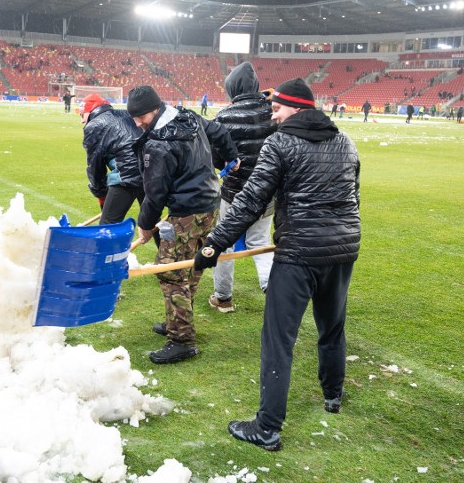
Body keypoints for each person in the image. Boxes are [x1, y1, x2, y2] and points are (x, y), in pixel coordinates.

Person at [195, 78, 360, 452]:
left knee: (278, 341)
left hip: (299, 254)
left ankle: (267, 427)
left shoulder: (281, 142)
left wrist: (212, 246)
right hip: (342, 250)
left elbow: (252, 200)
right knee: (332, 328)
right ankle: (332, 395)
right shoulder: (345, 140)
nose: (272, 114)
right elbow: (354, 196)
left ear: (297, 108)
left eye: (277, 108)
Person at [128, 85, 238, 364]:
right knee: (192, 266)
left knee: (169, 272)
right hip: (210, 203)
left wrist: (146, 224)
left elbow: (155, 193)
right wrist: (231, 157)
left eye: (143, 116)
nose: (139, 123)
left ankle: (182, 340)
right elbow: (220, 132)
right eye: (135, 118)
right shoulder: (187, 116)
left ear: (156, 108)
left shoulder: (158, 144)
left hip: (187, 211)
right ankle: (177, 321)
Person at [209, 62, 276, 313]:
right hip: (267, 191)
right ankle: (272, 288)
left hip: (234, 192)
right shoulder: (274, 111)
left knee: (224, 242)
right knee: (260, 241)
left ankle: (223, 297)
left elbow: (216, 159)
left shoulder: (224, 116)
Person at [81, 93, 144, 224]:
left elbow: (95, 166)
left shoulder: (93, 126)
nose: (81, 120)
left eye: (82, 115)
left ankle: (108, 245)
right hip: (150, 169)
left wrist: (101, 194)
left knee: (107, 225)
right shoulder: (125, 113)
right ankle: (169, 245)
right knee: (152, 220)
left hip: (127, 174)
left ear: (91, 110)